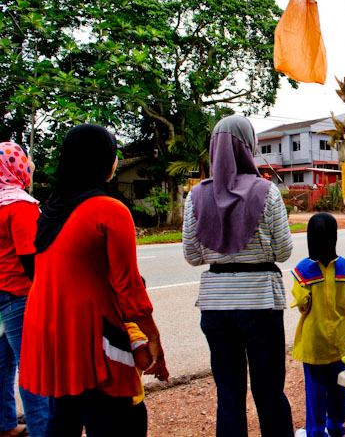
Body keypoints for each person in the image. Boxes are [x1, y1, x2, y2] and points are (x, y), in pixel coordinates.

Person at [20, 124, 168, 437]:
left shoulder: (50, 210)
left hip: (50, 335)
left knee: (63, 419)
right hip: (93, 335)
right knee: (120, 421)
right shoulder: (110, 210)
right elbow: (127, 287)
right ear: (105, 160)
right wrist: (153, 336)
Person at [183, 115, 294, 437]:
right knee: (269, 389)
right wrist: (257, 253)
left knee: (228, 393)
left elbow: (192, 256)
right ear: (250, 146)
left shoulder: (195, 196)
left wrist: (218, 253)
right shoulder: (267, 192)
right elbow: (283, 251)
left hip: (215, 305)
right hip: (261, 302)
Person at [290, 213, 345, 437]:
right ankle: (337, 429)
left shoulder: (302, 271)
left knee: (315, 392)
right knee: (341, 388)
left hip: (314, 344)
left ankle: (316, 433)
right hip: (340, 342)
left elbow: (301, 303)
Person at [0, 141, 49, 437]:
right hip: (19, 295)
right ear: (16, 165)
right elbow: (30, 258)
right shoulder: (19, 206)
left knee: (2, 363)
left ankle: (5, 424)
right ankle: (43, 429)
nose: (30, 165)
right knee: (32, 368)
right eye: (26, 160)